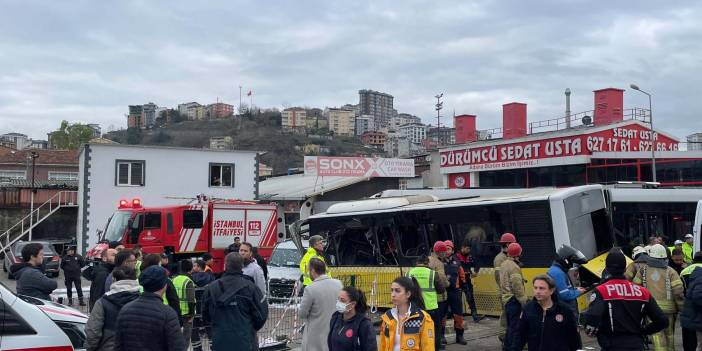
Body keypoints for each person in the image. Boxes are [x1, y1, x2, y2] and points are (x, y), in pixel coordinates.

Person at [583, 247, 668, 351]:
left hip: (612, 345)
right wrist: (643, 331)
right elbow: (663, 320)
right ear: (625, 268)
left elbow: (592, 319)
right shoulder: (642, 292)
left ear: (607, 268)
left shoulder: (601, 291)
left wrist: (598, 333)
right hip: (636, 344)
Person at [203, 253, 268, 351]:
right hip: (245, 341)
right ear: (242, 266)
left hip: (220, 340)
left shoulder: (211, 288)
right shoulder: (251, 288)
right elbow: (261, 315)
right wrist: (249, 328)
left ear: (225, 265)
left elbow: (205, 315)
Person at [114, 266, 186, 351]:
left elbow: (118, 345)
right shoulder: (168, 313)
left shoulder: (125, 309)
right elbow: (177, 347)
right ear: (164, 286)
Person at [633, 243, 685, 351]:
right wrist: (681, 308)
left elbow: (635, 288)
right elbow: (678, 292)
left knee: (657, 336)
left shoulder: (643, 270)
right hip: (669, 311)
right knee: (669, 336)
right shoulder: (671, 271)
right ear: (665, 257)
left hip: (651, 310)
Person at [514, 274, 581, 351]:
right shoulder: (528, 309)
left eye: (541, 288)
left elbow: (573, 337)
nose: (537, 291)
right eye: (535, 288)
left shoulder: (564, 310)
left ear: (551, 290)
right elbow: (520, 335)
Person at [85, 266, 140, 351]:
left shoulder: (103, 302)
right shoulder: (144, 301)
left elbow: (93, 331)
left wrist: (90, 348)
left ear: (114, 280)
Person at [379, 276, 435, 351]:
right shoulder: (387, 317)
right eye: (392, 290)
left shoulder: (423, 318)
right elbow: (382, 346)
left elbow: (428, 347)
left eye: (397, 291)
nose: (393, 294)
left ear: (408, 294)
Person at [300, 258, 343, 351]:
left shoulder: (310, 289)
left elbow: (302, 313)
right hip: (335, 331)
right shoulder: (338, 284)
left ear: (313, 270)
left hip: (315, 336)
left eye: (309, 270)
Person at [407, 255, 445, 351]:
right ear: (427, 263)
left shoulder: (408, 273)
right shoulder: (432, 273)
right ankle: (435, 348)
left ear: (417, 263)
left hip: (413, 309)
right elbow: (441, 290)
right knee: (434, 330)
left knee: (415, 331)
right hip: (431, 308)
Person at [328, 286, 377, 351]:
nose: (338, 303)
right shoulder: (336, 317)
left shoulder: (364, 324)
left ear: (353, 304)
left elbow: (371, 348)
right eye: (338, 299)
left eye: (342, 300)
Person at [546, 244, 588, 318]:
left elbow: (563, 289)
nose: (572, 265)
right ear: (566, 261)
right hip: (565, 314)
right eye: (572, 262)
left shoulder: (557, 270)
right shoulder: (558, 273)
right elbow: (564, 295)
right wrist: (578, 292)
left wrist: (575, 289)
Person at [499, 242, 527, 351]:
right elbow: (517, 287)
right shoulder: (514, 267)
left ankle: (506, 347)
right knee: (514, 328)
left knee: (509, 326)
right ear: (518, 254)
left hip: (506, 299)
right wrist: (525, 302)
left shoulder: (504, 264)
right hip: (513, 300)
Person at [442, 240, 467, 345]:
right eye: (445, 249)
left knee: (458, 314)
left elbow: (462, 276)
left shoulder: (457, 262)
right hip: (442, 291)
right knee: (442, 315)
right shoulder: (439, 262)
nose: (447, 251)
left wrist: (465, 287)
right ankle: (441, 336)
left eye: (449, 249)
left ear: (452, 250)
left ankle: (459, 336)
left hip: (455, 291)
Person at [141, 253, 182, 317]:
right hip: (163, 314)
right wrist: (179, 320)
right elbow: (174, 301)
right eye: (160, 264)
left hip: (143, 314)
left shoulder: (139, 280)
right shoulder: (165, 280)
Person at [494, 232, 517, 342]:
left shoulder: (507, 257)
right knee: (506, 316)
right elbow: (500, 279)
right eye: (513, 244)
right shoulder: (500, 259)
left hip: (508, 292)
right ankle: (504, 337)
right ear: (507, 244)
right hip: (505, 293)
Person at [429, 241, 450, 349]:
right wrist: (448, 283)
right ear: (440, 252)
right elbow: (442, 279)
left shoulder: (428, 260)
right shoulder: (439, 263)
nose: (445, 254)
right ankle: (439, 343)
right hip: (439, 297)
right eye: (444, 252)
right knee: (439, 321)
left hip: (429, 298)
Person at [455, 240, 481, 323]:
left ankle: (475, 315)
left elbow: (477, 264)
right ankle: (458, 316)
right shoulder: (456, 257)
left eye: (469, 249)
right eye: (467, 249)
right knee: (457, 299)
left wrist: (475, 272)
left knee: (470, 297)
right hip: (458, 280)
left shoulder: (470, 257)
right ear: (462, 248)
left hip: (467, 279)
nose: (468, 250)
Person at [681, 252, 702, 351]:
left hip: (688, 312)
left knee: (690, 345)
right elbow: (698, 295)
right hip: (697, 317)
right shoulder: (700, 273)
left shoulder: (685, 270)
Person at [173, 260, 196, 347]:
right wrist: (191, 314)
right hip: (186, 316)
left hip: (175, 314)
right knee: (185, 340)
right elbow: (191, 300)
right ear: (191, 269)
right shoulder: (188, 281)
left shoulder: (174, 279)